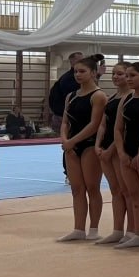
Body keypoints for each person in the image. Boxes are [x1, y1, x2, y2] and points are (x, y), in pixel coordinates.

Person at [57, 54, 108, 242]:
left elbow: (94, 124)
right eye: (75, 71)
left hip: (89, 144)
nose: (78, 74)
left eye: (82, 71)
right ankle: (78, 228)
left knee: (92, 187)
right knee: (77, 189)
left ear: (93, 73)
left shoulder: (99, 96)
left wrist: (72, 141)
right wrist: (65, 139)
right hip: (71, 145)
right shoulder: (70, 96)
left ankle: (93, 229)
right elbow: (65, 122)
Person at [114, 62, 139, 248]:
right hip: (127, 151)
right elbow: (118, 129)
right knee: (135, 194)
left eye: (132, 75)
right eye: (127, 75)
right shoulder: (126, 99)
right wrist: (121, 152)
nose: (128, 79)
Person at [95, 62, 131, 244]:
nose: (116, 77)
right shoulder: (111, 98)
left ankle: (132, 231)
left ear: (128, 76)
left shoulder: (131, 97)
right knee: (115, 190)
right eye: (114, 74)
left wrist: (112, 149)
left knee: (127, 191)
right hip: (105, 148)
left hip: (119, 148)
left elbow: (125, 129)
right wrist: (97, 145)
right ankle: (117, 230)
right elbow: (103, 124)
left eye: (120, 74)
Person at [48, 51, 84, 135]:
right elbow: (74, 100)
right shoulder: (68, 78)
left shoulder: (72, 77)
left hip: (64, 115)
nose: (83, 63)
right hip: (63, 117)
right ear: (72, 61)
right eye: (80, 60)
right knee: (64, 140)